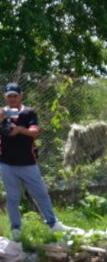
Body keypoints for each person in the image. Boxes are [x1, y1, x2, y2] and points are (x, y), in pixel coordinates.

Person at [0, 83, 81, 240]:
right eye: (9, 96)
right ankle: (16, 229)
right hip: (6, 163)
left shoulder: (29, 112)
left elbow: (35, 132)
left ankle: (53, 224)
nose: (12, 98)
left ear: (21, 95)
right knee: (13, 198)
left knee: (41, 193)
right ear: (5, 97)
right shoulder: (2, 113)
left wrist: (19, 130)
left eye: (15, 95)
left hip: (28, 163)